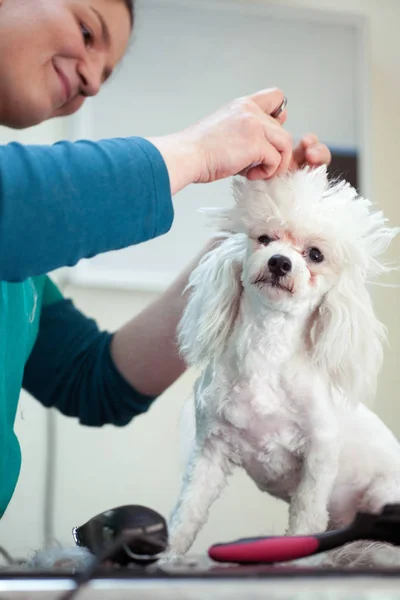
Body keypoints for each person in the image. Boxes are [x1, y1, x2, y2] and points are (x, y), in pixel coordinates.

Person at [0, 0, 331, 519]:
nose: (91, 81)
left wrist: (255, 240)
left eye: (105, 74)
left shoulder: (19, 277)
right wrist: (195, 151)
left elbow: (96, 379)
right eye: (87, 31)